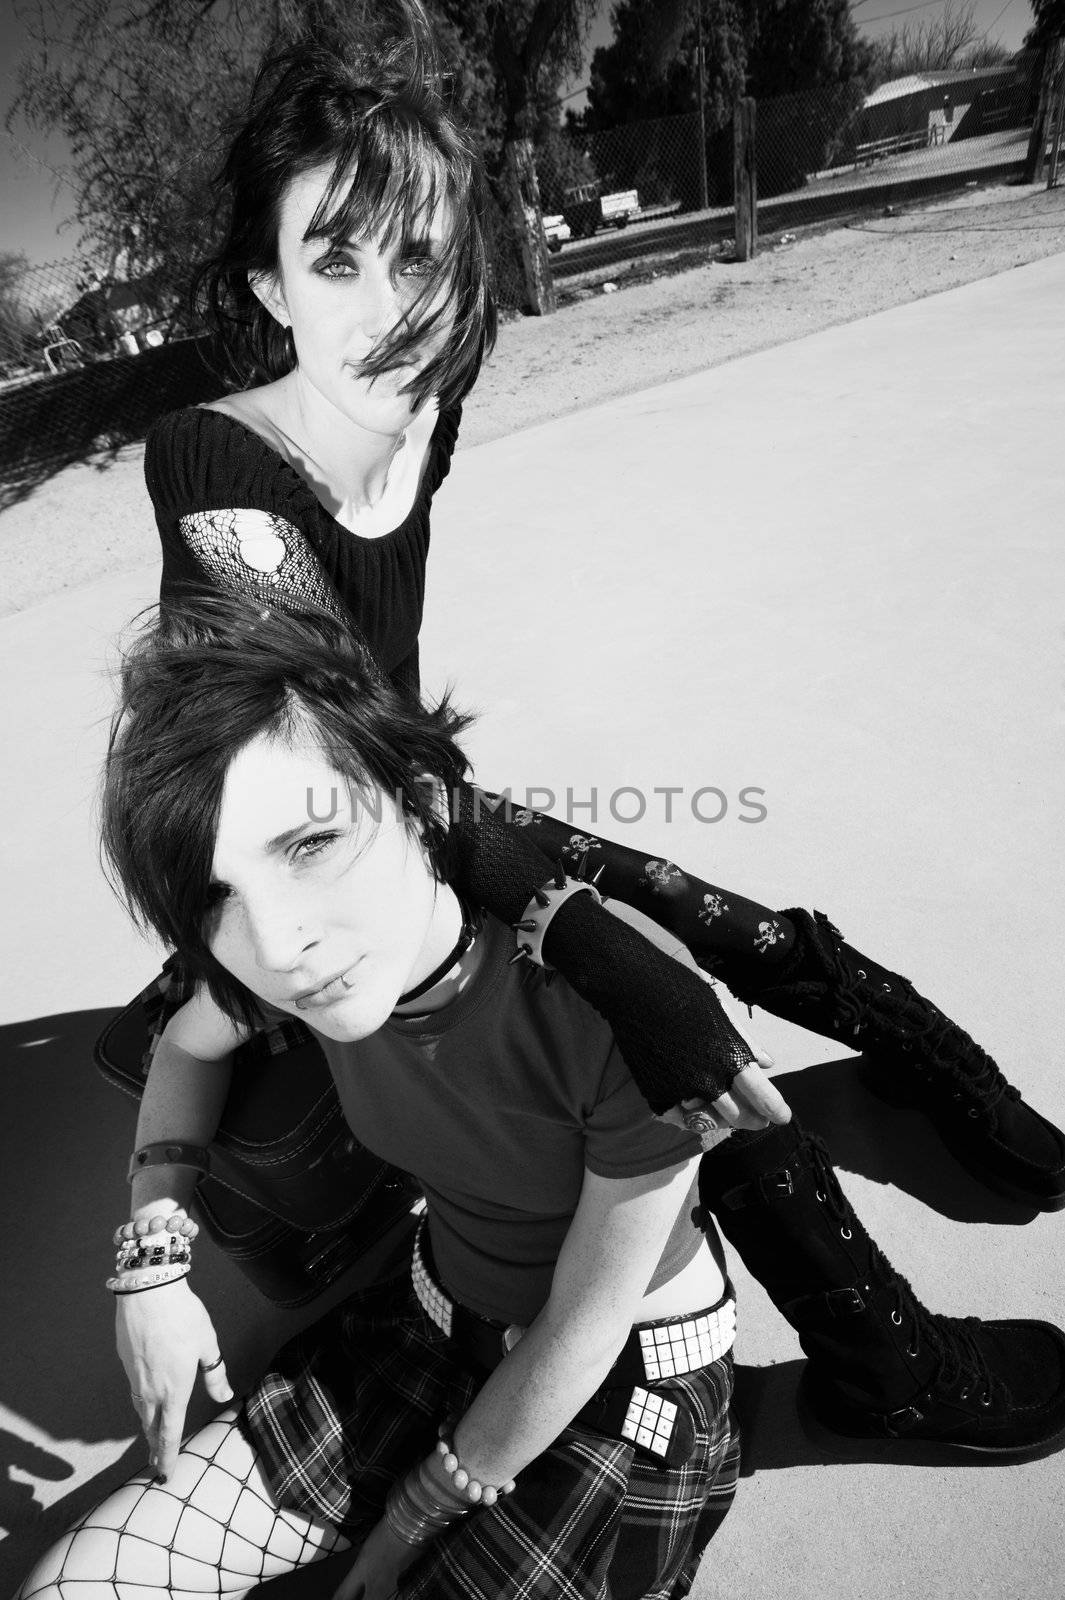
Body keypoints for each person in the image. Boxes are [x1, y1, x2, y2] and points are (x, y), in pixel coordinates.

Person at [133, 0, 1065, 1458]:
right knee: (653, 1008)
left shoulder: (428, 389)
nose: (389, 304)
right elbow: (331, 735)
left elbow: (409, 750)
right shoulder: (210, 459)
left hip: (417, 804)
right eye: (336, 259)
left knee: (729, 930)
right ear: (268, 282)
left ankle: (956, 1085)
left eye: (422, 255)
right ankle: (885, 1358)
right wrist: (587, 941)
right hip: (310, 842)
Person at [19, 595, 744, 1600]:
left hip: (614, 1382)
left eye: (310, 845)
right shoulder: (294, 963)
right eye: (219, 897)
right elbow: (186, 1049)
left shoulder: (612, 999)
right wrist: (151, 1263)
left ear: (411, 797)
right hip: (423, 1315)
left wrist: (409, 1522)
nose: (278, 948)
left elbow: (585, 1325)